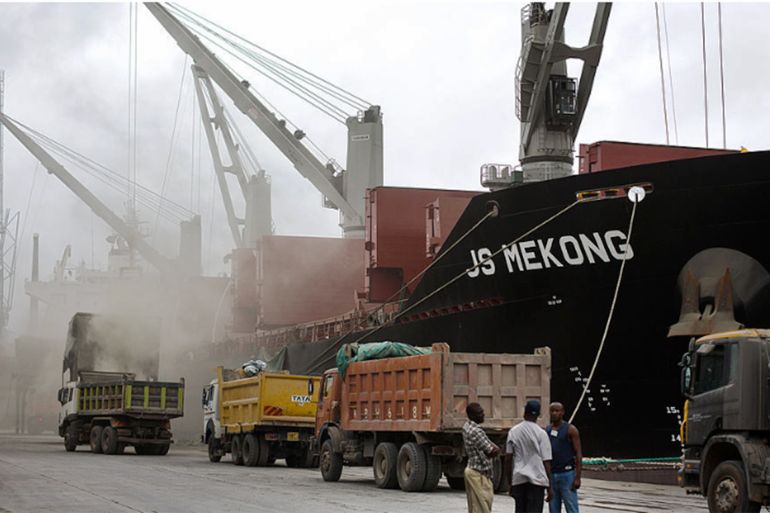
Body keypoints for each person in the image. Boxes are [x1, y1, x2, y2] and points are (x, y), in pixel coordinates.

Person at [505, 399, 553, 513]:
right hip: (537, 481)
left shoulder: (513, 431)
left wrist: (510, 482)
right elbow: (546, 462)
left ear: (524, 413)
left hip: (519, 479)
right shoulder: (541, 433)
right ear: (538, 415)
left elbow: (508, 458)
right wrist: (550, 486)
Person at [462, 402, 501, 513]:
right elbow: (491, 451)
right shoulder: (475, 431)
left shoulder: (467, 426)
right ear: (472, 415)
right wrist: (496, 449)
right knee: (482, 507)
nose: (483, 415)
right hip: (478, 473)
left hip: (473, 470)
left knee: (476, 507)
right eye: (480, 413)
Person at [546, 402, 582, 513]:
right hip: (552, 474)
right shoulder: (547, 430)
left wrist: (577, 477)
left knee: (571, 507)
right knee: (553, 508)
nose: (554, 413)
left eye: (557, 411)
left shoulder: (571, 430)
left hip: (567, 474)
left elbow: (578, 453)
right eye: (552, 411)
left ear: (563, 413)